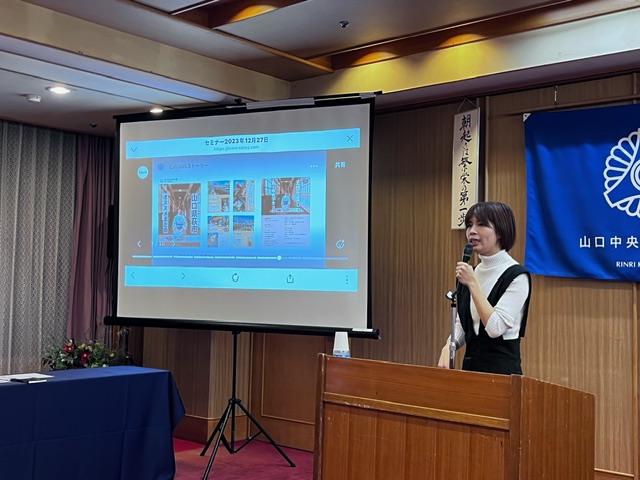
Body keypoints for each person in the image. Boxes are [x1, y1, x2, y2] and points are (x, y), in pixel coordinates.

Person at [437, 201, 532, 375]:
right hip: (470, 371)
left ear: (500, 231)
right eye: (469, 225)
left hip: (502, 375)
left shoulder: (517, 276)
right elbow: (463, 324)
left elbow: (495, 328)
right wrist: (449, 345)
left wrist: (473, 283)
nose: (472, 231)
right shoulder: (470, 273)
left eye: (481, 224)